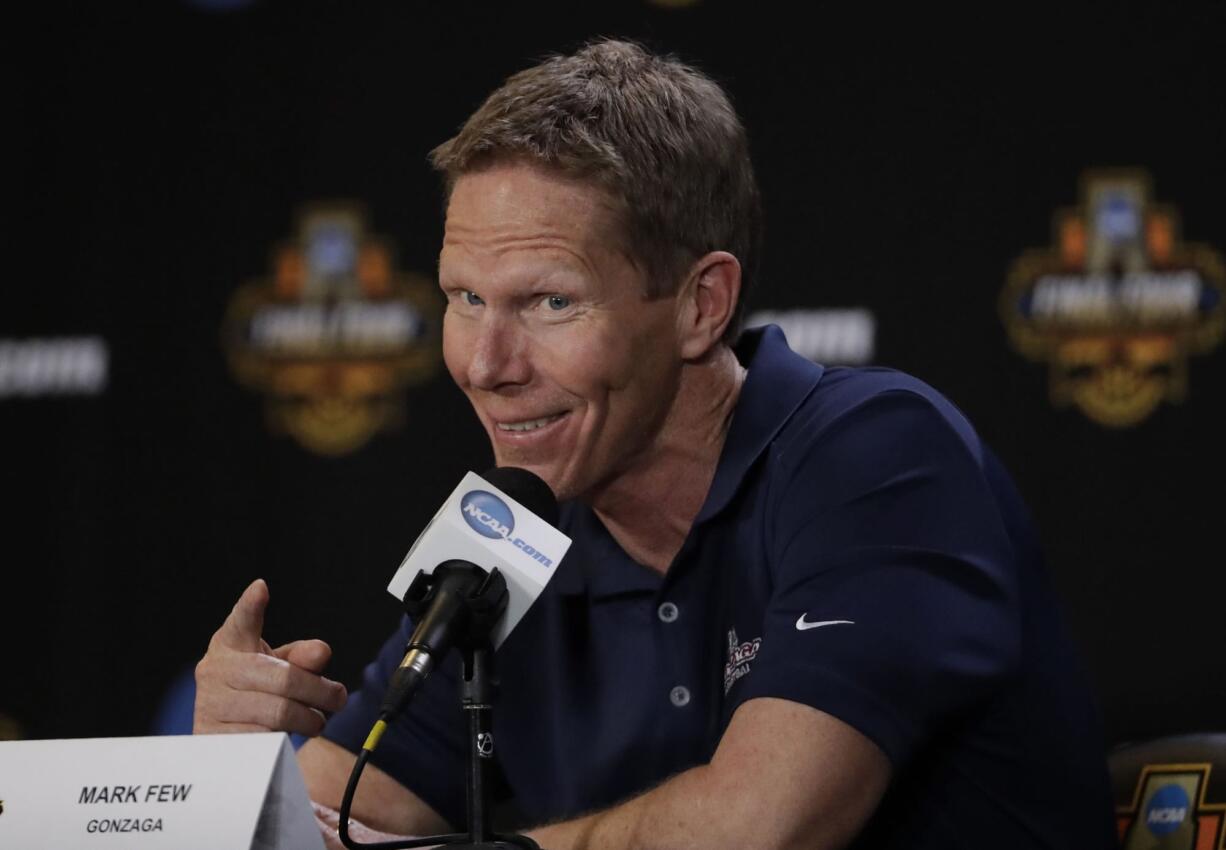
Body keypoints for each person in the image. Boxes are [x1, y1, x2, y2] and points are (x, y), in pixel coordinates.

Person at [193, 38, 1118, 849]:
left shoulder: (878, 455)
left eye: (550, 302)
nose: (484, 363)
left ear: (700, 305)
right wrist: (230, 793)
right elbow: (340, 818)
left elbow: (757, 830)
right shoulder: (501, 540)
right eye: (464, 297)